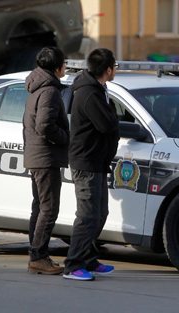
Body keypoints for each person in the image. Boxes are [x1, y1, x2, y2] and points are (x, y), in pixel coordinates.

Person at [63, 48, 120, 281]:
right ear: (107, 69)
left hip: (97, 161)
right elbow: (106, 125)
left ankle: (88, 258)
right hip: (86, 162)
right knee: (87, 216)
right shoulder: (88, 93)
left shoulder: (98, 89)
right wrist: (114, 118)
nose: (116, 70)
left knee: (100, 213)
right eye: (114, 66)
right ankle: (72, 264)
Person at [23, 46, 69, 275]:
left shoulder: (36, 87)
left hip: (37, 156)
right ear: (57, 67)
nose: (66, 68)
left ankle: (36, 253)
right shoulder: (50, 90)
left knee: (39, 207)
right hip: (46, 156)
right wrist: (65, 138)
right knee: (49, 209)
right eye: (65, 63)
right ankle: (38, 256)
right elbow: (44, 125)